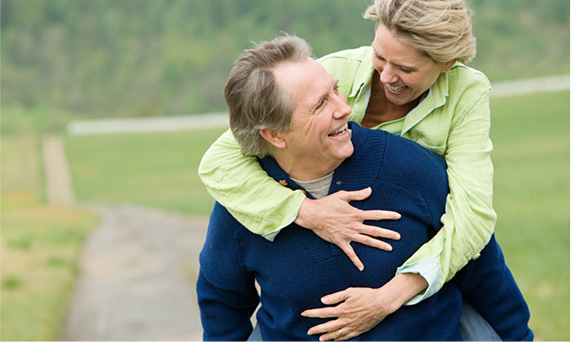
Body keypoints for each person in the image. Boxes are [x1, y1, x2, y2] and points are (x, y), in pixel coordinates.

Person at [198, 0, 505, 338]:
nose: (386, 76)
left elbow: (473, 218)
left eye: (404, 67)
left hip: (426, 276)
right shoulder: (330, 73)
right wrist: (306, 211)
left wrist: (390, 296)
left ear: (447, 63)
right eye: (379, 57)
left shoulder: (463, 98)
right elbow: (222, 160)